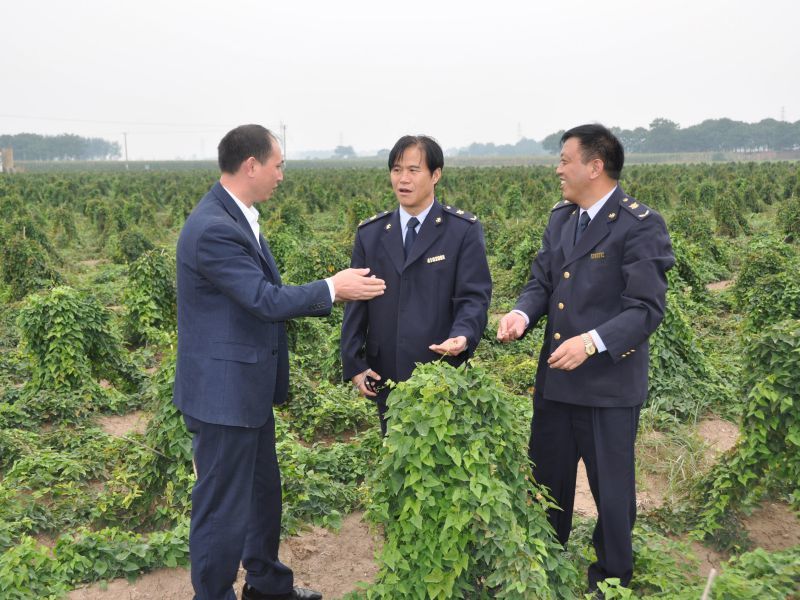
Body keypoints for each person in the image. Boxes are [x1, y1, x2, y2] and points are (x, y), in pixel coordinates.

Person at [173, 124, 385, 600]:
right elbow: (262, 299)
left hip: (244, 391)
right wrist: (334, 288)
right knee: (222, 507)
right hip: (222, 397)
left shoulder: (239, 215)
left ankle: (266, 584)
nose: (282, 175)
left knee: (262, 494)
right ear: (251, 165)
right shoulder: (213, 229)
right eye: (278, 164)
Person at [496, 124, 674, 592]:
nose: (558, 169)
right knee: (547, 484)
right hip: (557, 382)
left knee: (612, 495)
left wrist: (592, 342)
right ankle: (544, 565)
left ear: (595, 167)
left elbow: (645, 309)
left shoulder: (640, 224)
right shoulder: (561, 218)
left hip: (607, 386)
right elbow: (542, 282)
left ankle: (610, 578)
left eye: (565, 160)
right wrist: (520, 314)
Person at [340, 135, 492, 435]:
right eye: (396, 170)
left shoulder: (461, 230)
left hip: (440, 367)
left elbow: (473, 297)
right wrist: (354, 362)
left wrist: (463, 335)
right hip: (385, 370)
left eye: (413, 170)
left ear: (436, 175)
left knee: (440, 461)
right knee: (396, 457)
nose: (403, 179)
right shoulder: (371, 234)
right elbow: (356, 302)